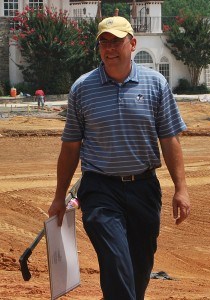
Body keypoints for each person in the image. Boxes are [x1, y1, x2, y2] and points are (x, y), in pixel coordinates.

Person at [48, 16, 190, 300]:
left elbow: (169, 139)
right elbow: (71, 146)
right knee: (115, 260)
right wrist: (59, 195)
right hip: (100, 190)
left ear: (132, 43)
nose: (110, 48)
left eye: (116, 41)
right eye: (104, 42)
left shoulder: (155, 84)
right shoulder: (82, 88)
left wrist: (181, 188)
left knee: (138, 271)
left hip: (144, 189)